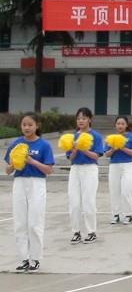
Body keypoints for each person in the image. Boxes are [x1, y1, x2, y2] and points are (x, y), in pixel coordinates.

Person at [4, 113, 54, 272]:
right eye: (24, 124)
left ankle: (35, 258)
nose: (26, 127)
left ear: (37, 125)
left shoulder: (44, 145)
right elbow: (7, 170)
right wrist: (14, 164)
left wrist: (32, 161)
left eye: (30, 124)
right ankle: (23, 258)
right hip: (19, 182)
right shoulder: (15, 144)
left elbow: (49, 170)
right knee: (20, 222)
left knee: (34, 223)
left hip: (37, 183)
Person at [67, 107, 105, 245]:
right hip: (75, 169)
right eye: (78, 118)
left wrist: (84, 149)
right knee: (74, 202)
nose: (81, 121)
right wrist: (75, 149)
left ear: (89, 119)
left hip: (90, 169)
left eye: (83, 118)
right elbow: (70, 157)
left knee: (88, 201)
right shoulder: (73, 137)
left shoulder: (95, 136)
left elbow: (96, 156)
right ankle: (76, 231)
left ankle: (91, 232)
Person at [105, 116, 132, 225]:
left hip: (128, 165)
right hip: (114, 166)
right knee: (114, 190)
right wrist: (114, 148)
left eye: (122, 124)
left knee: (126, 190)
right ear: (115, 125)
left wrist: (122, 148)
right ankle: (116, 214)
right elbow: (106, 154)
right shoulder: (110, 138)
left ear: (126, 125)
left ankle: (128, 214)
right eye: (118, 123)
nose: (120, 126)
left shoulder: (131, 137)